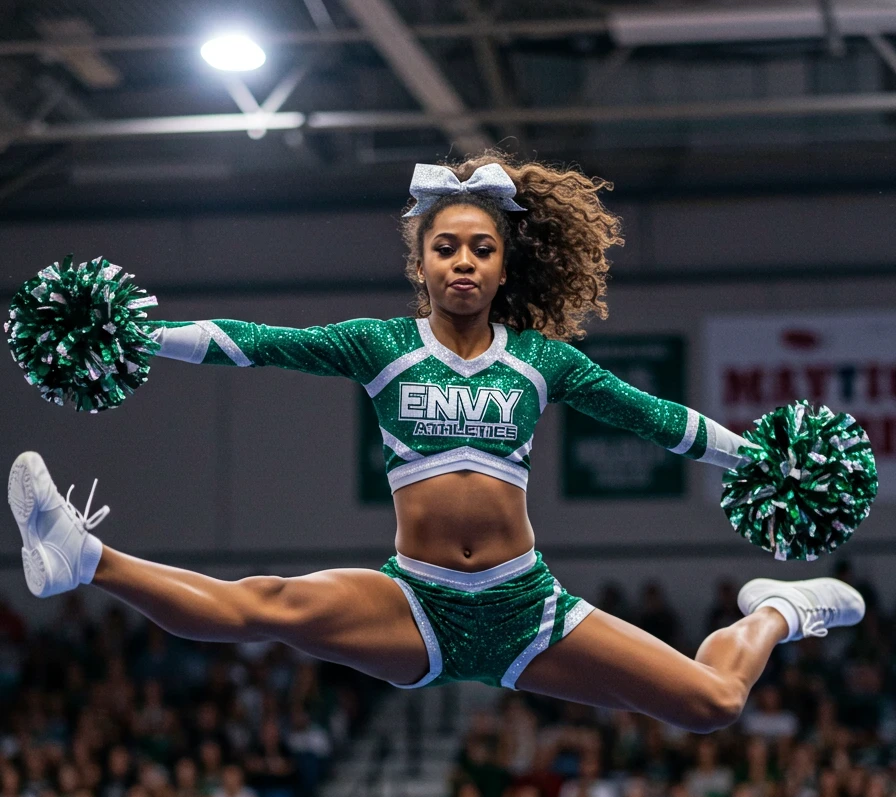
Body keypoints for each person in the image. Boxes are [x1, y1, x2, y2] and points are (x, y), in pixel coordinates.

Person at [8, 156, 865, 729]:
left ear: (503, 266)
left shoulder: (540, 361)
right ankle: (81, 557)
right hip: (414, 601)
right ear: (420, 263)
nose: (462, 262)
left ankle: (783, 610)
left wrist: (758, 459)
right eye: (445, 247)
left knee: (712, 704)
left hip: (527, 605)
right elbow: (251, 340)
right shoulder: (380, 344)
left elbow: (658, 420)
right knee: (257, 606)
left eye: (480, 249)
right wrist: (133, 330)